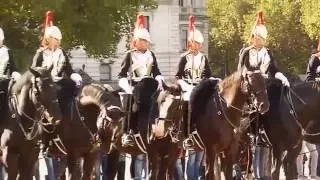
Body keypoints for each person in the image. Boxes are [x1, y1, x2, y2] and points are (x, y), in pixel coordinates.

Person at [118, 14, 164, 147]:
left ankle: (159, 126)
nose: (146, 43)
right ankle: (128, 132)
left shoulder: (151, 55)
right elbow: (121, 75)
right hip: (135, 86)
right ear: (136, 41)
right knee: (130, 102)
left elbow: (156, 72)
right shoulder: (129, 55)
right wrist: (127, 87)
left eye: (147, 41)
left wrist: (160, 79)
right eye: (143, 40)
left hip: (149, 86)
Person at [175, 15, 212, 149]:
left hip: (200, 86)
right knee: (188, 103)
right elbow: (178, 76)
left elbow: (208, 74)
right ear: (191, 43)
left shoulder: (203, 58)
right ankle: (187, 135)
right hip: (187, 87)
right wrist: (186, 86)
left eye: (200, 44)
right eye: (196, 43)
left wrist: (213, 80)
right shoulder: (184, 58)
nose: (198, 46)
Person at [237, 11, 289, 87]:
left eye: (261, 38)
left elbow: (274, 70)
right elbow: (240, 72)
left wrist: (282, 77)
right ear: (252, 38)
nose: (258, 40)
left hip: (265, 85)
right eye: (256, 38)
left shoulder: (268, 52)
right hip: (250, 85)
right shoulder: (246, 52)